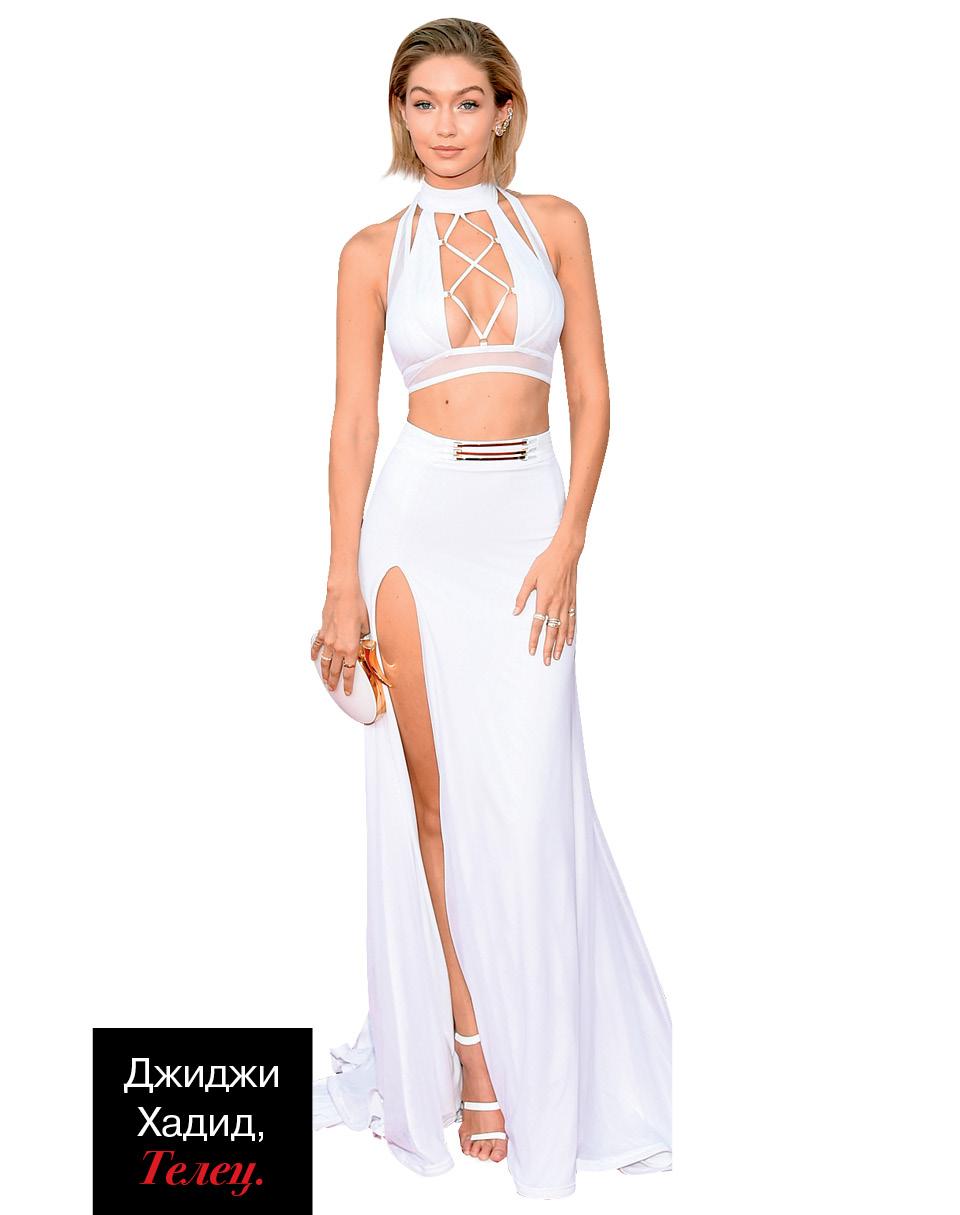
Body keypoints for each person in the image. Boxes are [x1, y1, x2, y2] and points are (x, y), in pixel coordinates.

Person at [311, 18, 672, 1200]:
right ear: (399, 112)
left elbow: (595, 396)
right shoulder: (372, 250)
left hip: (527, 525)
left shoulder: (556, 225)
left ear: (505, 109)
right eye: (422, 102)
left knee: (530, 801)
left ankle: (553, 1053)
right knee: (436, 801)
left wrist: (570, 542)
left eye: (467, 102)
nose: (445, 125)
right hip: (414, 532)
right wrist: (339, 581)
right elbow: (354, 426)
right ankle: (470, 1051)